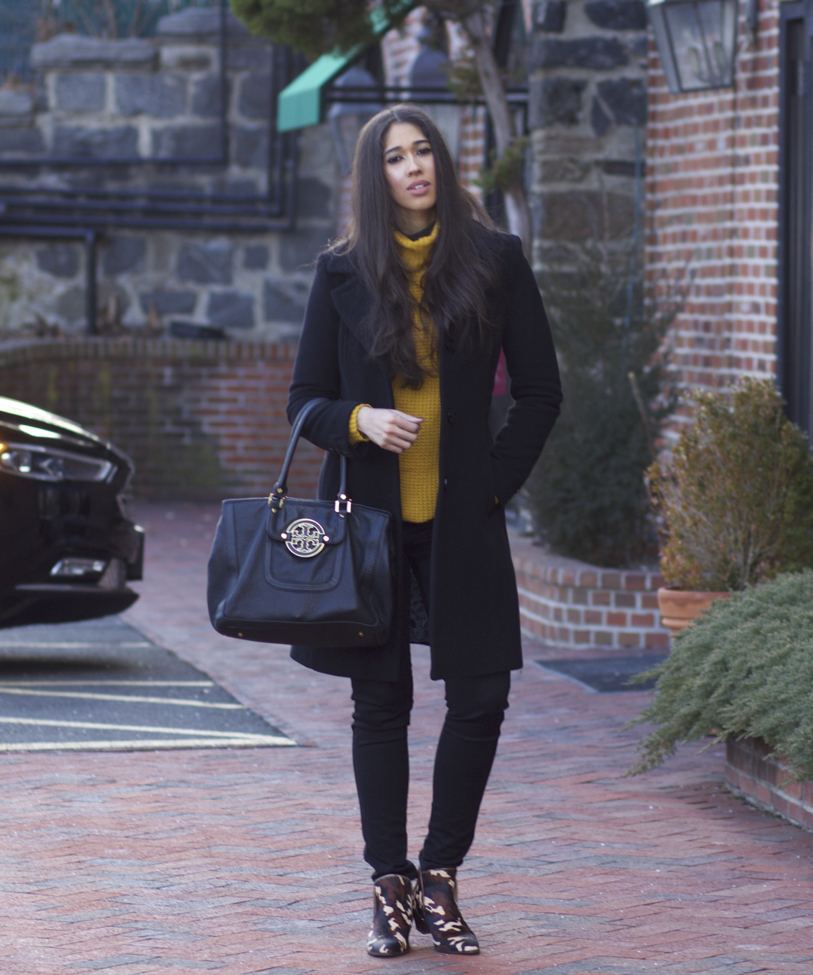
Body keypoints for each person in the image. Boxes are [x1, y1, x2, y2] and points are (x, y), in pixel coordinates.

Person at [287, 104, 561, 958]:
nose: (413, 167)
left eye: (422, 152)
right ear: (376, 179)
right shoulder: (339, 271)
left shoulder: (493, 261)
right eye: (395, 158)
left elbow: (541, 392)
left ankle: (440, 877)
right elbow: (304, 405)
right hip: (368, 527)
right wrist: (361, 420)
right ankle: (387, 885)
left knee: (480, 698)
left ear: (440, 162)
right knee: (383, 704)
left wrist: (490, 485)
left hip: (462, 525)